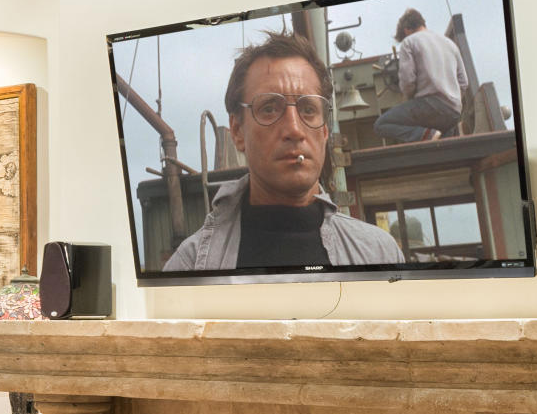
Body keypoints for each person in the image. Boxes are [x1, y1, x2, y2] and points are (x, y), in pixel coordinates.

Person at [161, 33, 404, 271]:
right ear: (237, 131)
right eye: (269, 109)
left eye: (308, 109)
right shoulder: (190, 265)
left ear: (325, 131)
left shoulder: (380, 254)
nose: (294, 129)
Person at [378, 8, 469, 143]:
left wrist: (409, 99)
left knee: (381, 125)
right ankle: (435, 135)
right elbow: (464, 82)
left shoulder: (409, 42)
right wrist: (451, 99)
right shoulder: (450, 44)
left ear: (406, 30)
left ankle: (425, 135)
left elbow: (408, 81)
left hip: (428, 108)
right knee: (441, 140)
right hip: (454, 112)